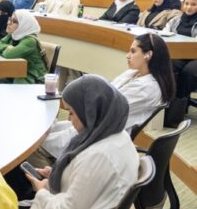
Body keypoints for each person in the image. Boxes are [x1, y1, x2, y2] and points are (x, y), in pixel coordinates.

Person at [18, 75, 138, 209]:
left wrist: (42, 192)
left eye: (72, 113)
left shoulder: (99, 156)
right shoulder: (118, 136)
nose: (69, 119)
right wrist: (57, 176)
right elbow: (88, 185)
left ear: (89, 112)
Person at [42, 33, 175, 159]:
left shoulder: (148, 88)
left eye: (133, 51)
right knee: (46, 131)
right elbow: (107, 93)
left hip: (104, 133)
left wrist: (81, 108)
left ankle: (55, 172)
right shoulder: (133, 73)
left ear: (148, 54)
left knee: (39, 143)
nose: (128, 56)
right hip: (97, 124)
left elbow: (108, 108)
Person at [164, 0, 197, 126]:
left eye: (193, 4)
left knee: (188, 72)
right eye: (186, 4)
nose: (189, 7)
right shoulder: (176, 20)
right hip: (179, 55)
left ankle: (175, 115)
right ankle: (164, 107)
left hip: (195, 56)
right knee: (168, 66)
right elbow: (165, 33)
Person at [0, 10, 46, 84]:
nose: (9, 23)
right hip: (16, 74)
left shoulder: (30, 40)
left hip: (32, 78)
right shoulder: (14, 35)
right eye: (10, 19)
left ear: (24, 25)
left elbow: (9, 55)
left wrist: (3, 50)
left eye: (14, 21)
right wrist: (8, 47)